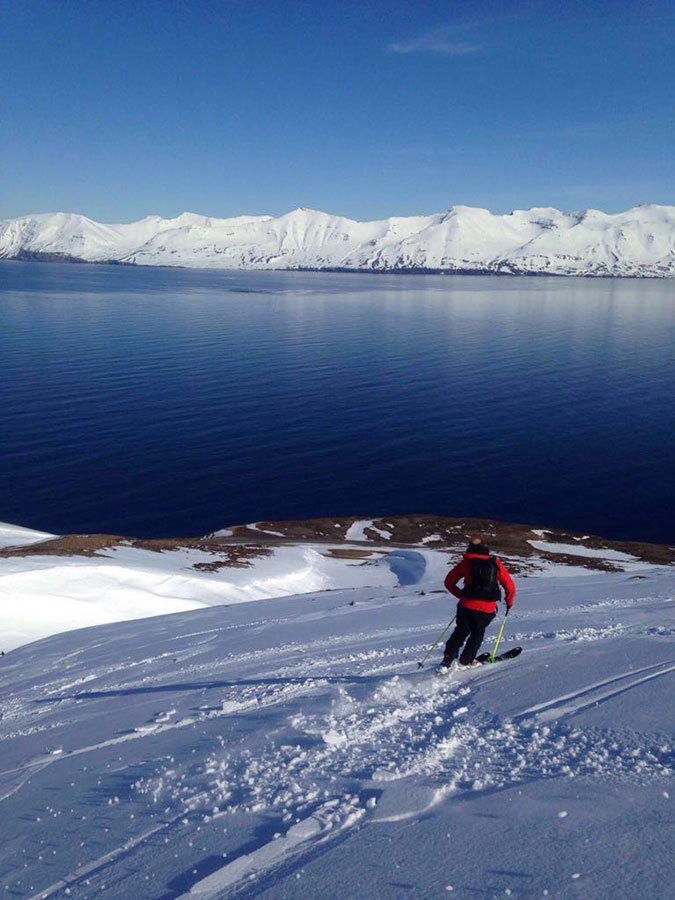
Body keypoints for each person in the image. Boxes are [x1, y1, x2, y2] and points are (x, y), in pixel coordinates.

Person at [440, 535, 515, 670]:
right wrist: (509, 602)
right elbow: (510, 586)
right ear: (485, 547)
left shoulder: (466, 563)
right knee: (477, 634)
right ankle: (466, 661)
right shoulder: (495, 564)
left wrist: (461, 595)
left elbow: (448, 582)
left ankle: (448, 658)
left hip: (466, 605)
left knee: (460, 632)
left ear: (470, 547)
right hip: (487, 608)